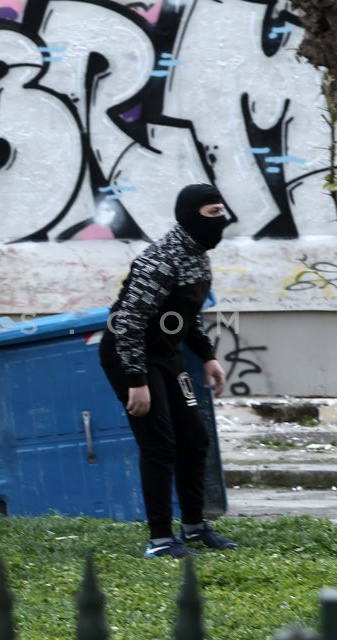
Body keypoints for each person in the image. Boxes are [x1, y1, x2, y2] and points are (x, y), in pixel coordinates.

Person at [99, 183, 238, 559]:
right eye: (212, 213)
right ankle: (160, 539)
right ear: (190, 215)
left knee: (195, 437)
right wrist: (136, 380)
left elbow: (183, 316)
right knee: (159, 444)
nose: (221, 219)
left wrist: (207, 356)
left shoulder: (198, 256)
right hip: (130, 354)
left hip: (165, 354)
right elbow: (127, 322)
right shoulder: (160, 259)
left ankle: (193, 526)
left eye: (222, 211)